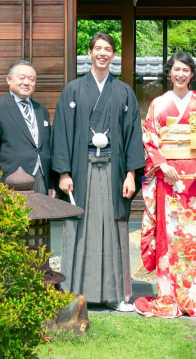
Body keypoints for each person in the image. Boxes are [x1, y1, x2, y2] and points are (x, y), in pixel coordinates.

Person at [52, 32, 145, 312]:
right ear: (90, 52)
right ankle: (75, 294)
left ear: (113, 55)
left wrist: (131, 174)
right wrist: (63, 172)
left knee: (112, 228)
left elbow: (132, 135)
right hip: (81, 170)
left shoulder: (124, 92)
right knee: (80, 227)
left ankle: (116, 295)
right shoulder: (73, 90)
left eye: (108, 49)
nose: (103, 53)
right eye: (98, 48)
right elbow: (62, 133)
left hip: (113, 171)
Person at [134, 52, 196, 318]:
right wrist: (161, 164)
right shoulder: (158, 104)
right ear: (169, 73)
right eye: (176, 69)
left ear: (192, 74)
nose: (181, 74)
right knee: (170, 236)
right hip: (168, 179)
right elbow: (149, 138)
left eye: (186, 70)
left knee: (195, 237)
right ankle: (167, 296)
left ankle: (195, 297)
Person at [0, 59, 55, 197]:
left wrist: (51, 183)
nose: (27, 83)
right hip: (10, 180)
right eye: (22, 78)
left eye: (31, 79)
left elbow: (46, 147)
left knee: (42, 218)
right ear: (9, 79)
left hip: (41, 177)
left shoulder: (41, 110)